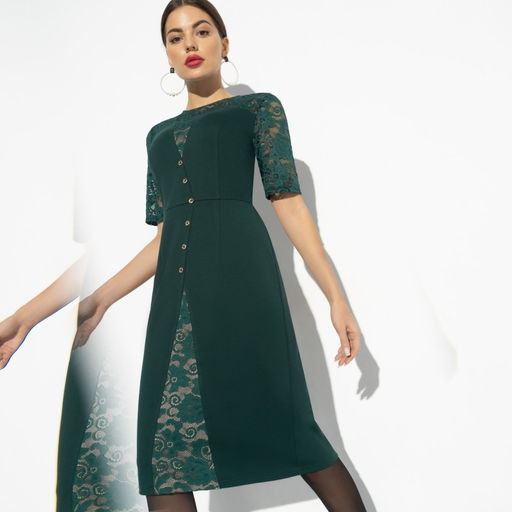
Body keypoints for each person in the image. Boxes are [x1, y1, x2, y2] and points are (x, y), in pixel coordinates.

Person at [65, 1, 368, 510]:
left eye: (201, 31)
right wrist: (100, 300)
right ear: (166, 53)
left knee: (291, 426)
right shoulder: (157, 137)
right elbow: (164, 239)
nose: (189, 43)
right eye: (175, 37)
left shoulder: (258, 109)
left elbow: (289, 205)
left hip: (241, 284)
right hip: (175, 301)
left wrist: (336, 298)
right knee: (162, 452)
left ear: (224, 44)